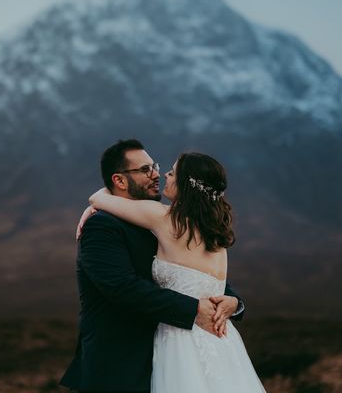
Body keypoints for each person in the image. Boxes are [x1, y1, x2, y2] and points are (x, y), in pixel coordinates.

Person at [77, 144, 267, 392]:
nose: (159, 174)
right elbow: (122, 287)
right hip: (126, 362)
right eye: (146, 169)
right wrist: (202, 307)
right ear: (120, 180)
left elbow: (204, 280)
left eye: (162, 169)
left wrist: (233, 301)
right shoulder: (212, 230)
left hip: (180, 344)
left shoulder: (162, 219)